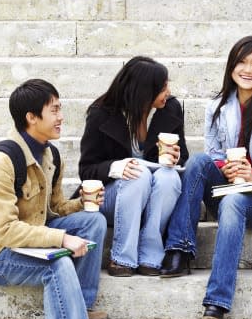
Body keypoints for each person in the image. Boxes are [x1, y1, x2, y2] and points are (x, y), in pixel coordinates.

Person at [0, 79, 108, 319]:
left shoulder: (51, 155)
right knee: (58, 264)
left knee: (93, 220)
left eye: (60, 109)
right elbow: (5, 231)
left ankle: (79, 308)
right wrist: (61, 238)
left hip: (32, 237)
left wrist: (81, 203)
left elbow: (53, 208)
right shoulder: (0, 162)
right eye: (54, 110)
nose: (61, 117)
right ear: (31, 117)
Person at [160, 35, 252, 319]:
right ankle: (180, 249)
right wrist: (226, 168)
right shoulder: (217, 107)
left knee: (235, 200)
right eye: (242, 62)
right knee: (198, 160)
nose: (248, 69)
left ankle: (217, 301)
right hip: (225, 190)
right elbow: (212, 152)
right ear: (231, 66)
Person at [78, 56, 189, 277]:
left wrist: (176, 157)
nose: (167, 91)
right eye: (162, 87)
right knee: (138, 175)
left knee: (169, 177)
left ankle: (151, 255)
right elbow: (86, 170)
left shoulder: (170, 109)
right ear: (144, 91)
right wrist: (116, 168)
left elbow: (183, 157)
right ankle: (121, 258)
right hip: (112, 197)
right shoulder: (102, 113)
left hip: (155, 198)